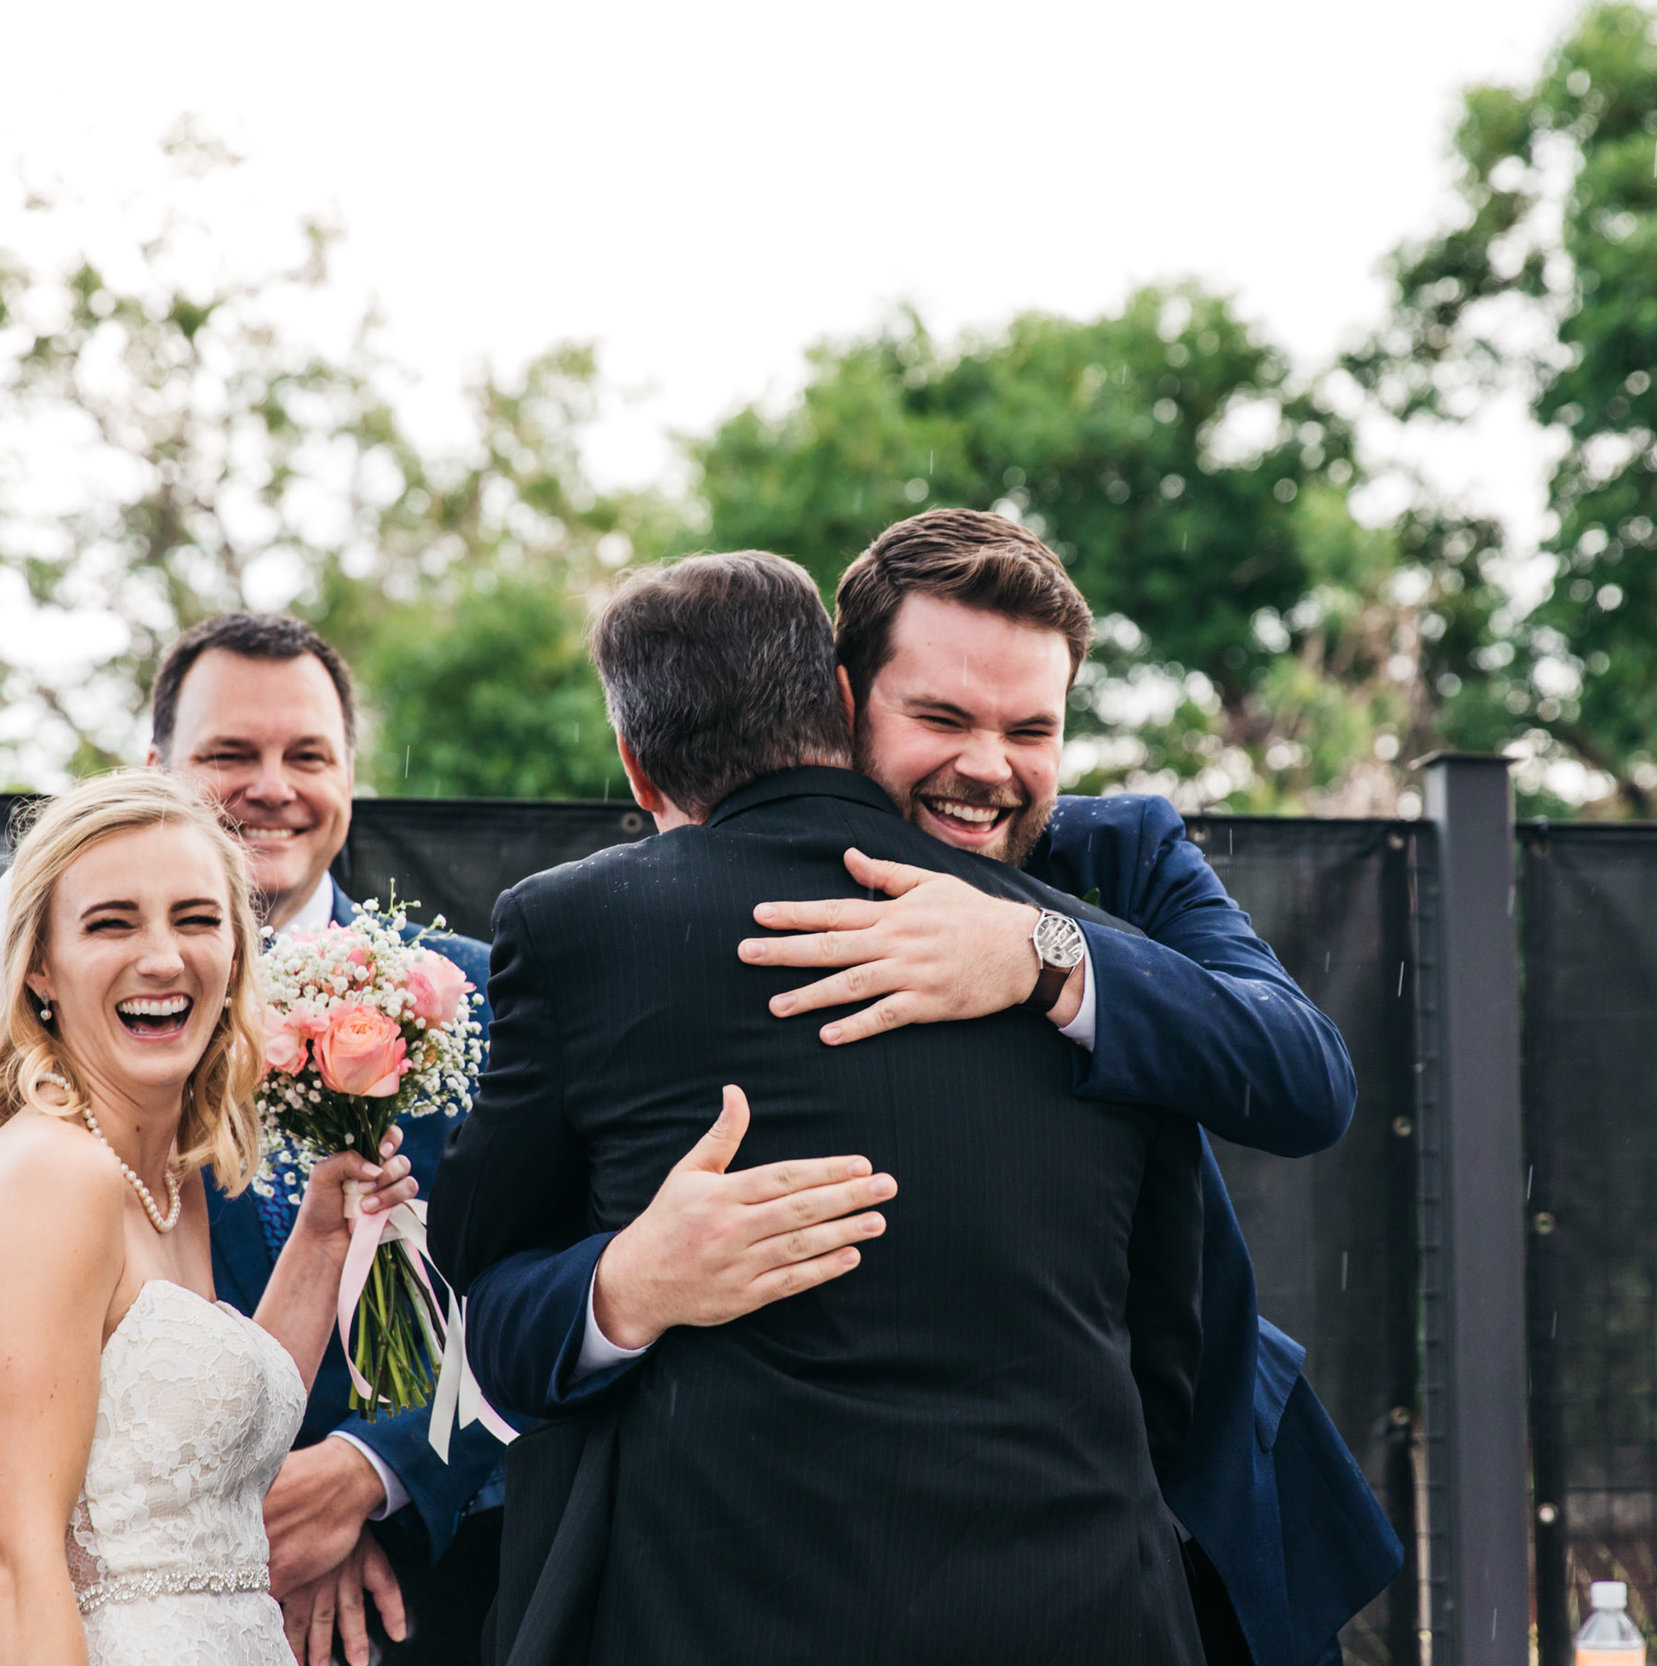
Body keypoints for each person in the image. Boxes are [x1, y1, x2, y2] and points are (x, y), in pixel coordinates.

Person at [459, 510, 1401, 1666]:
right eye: (944, 717)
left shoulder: (1120, 867)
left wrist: (1042, 957)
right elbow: (503, 1291)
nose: (988, 767)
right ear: (841, 705)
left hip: (1176, 1515)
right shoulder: (653, 922)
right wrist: (627, 1284)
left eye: (1031, 729)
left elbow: (1303, 1078)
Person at [0, 770, 423, 1662]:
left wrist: (322, 1237)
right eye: (112, 923)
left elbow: (199, 1474)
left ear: (237, 951)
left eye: (196, 919)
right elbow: (9, 1562)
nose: (162, 958)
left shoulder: (168, 1179)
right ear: (39, 965)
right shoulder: (51, 1176)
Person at [145, 612, 502, 1666]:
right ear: (156, 768)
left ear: (350, 773)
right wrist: (256, 1510)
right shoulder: (98, 1018)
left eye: (307, 754)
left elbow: (555, 1274)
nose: (272, 786)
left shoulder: (478, 990)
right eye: (228, 755)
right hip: (178, 1586)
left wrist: (369, 1475)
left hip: (446, 1588)